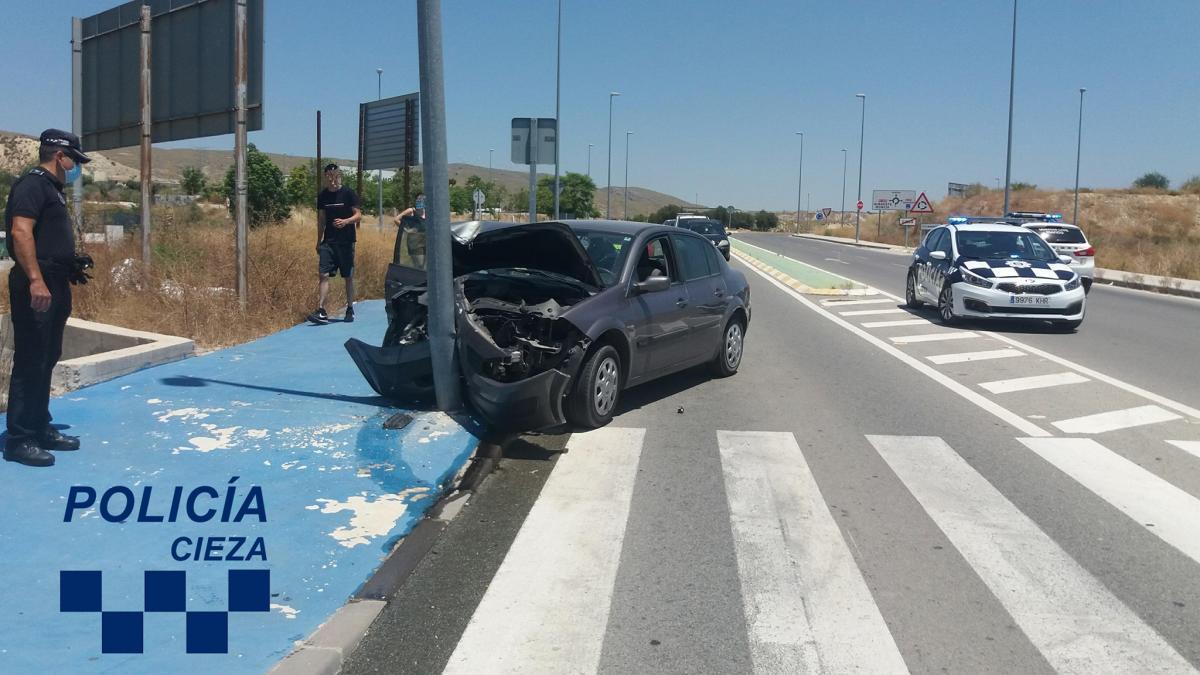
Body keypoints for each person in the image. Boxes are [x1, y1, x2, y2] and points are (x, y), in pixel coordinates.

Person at [4, 129, 92, 467]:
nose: (76, 167)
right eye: (75, 160)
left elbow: (45, 238)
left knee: (47, 355)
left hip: (54, 279)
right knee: (31, 360)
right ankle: (19, 439)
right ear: (60, 156)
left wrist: (68, 262)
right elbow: (20, 232)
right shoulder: (33, 185)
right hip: (36, 284)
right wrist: (36, 280)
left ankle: (40, 427)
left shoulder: (52, 189)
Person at [309, 164, 361, 324]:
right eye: (329, 176)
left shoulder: (348, 194)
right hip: (329, 242)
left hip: (346, 241)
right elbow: (322, 219)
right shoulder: (323, 196)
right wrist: (318, 241)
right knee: (323, 274)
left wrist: (346, 221)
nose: (332, 180)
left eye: (335, 176)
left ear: (340, 176)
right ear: (326, 177)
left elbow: (358, 215)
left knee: (347, 276)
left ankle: (350, 309)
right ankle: (321, 309)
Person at [393, 193, 426, 269]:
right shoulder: (411, 211)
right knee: (419, 266)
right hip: (415, 243)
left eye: (422, 199)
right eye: (418, 199)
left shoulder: (427, 212)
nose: (420, 201)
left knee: (426, 266)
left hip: (426, 242)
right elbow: (396, 219)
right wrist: (406, 230)